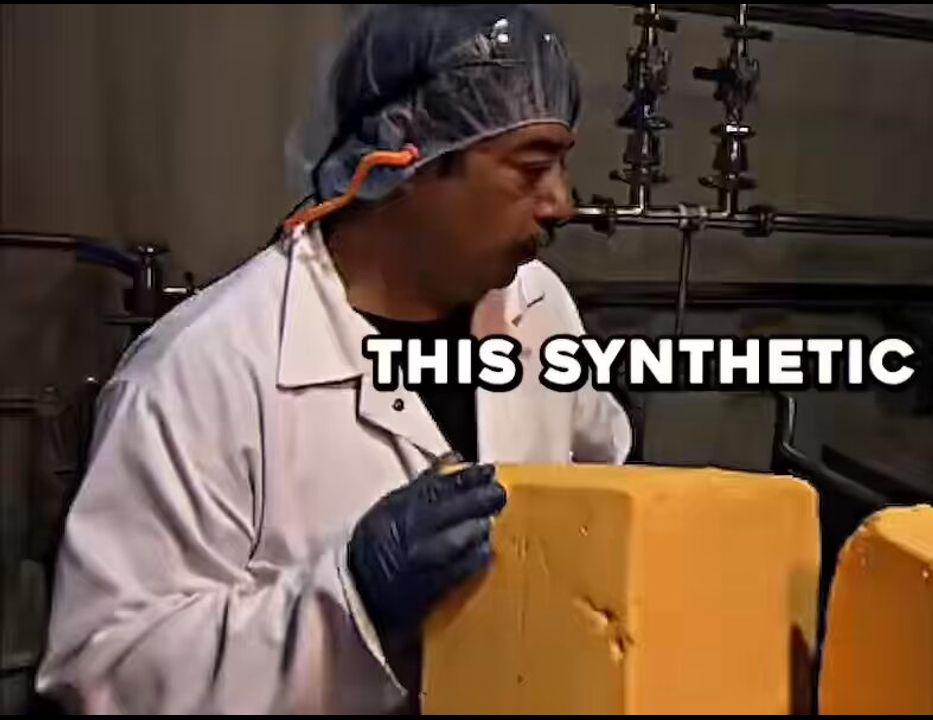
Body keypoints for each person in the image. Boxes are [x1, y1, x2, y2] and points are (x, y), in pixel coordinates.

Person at [35, 5, 631, 714]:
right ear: (406, 157)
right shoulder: (201, 372)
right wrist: (352, 603)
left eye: (561, 166)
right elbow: (106, 671)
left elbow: (604, 475)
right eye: (531, 167)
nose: (561, 204)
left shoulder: (538, 307)